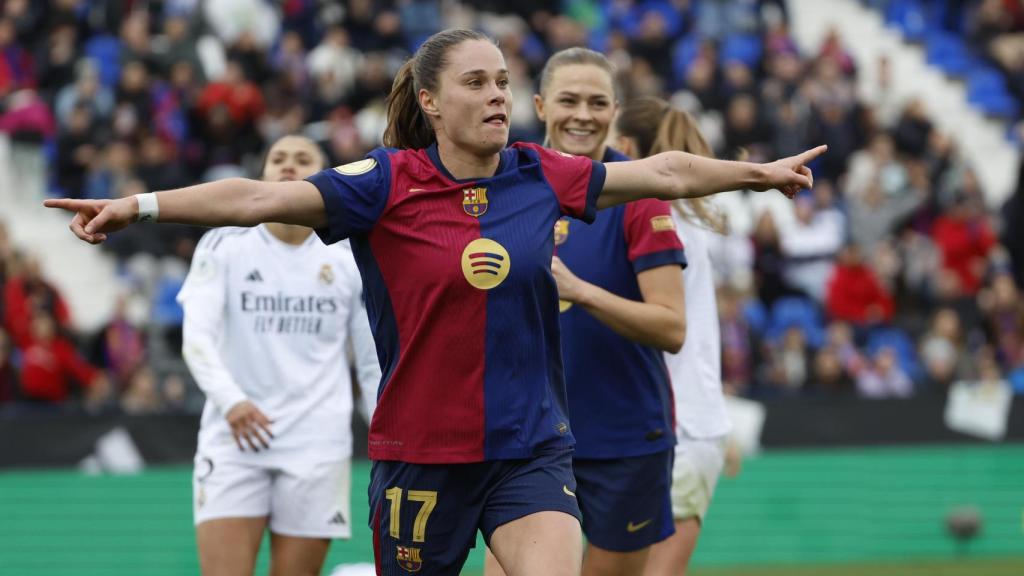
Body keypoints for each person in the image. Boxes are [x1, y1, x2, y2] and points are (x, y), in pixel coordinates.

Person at [46, 29, 824, 576]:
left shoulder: (538, 173)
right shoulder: (383, 183)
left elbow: (663, 175)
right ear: (430, 98)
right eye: (476, 83)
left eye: (502, 84)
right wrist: (138, 206)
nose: (497, 97)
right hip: (420, 459)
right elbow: (253, 196)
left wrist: (759, 174)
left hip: (530, 449)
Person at [487, 48, 686, 576]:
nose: (583, 114)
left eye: (597, 102)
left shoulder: (640, 194)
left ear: (614, 109)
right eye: (568, 100)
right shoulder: (507, 182)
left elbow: (671, 327)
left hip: (623, 437)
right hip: (525, 436)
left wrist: (583, 291)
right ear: (540, 105)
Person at [176, 134, 381, 576]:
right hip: (234, 440)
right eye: (278, 159)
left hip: (317, 445)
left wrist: (386, 434)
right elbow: (197, 337)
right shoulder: (224, 243)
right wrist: (232, 402)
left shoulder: (349, 256)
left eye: (303, 159)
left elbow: (370, 360)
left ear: (326, 177)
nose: (289, 166)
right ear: (263, 173)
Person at [613, 97, 738, 576]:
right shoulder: (683, 219)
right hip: (689, 423)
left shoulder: (648, 219)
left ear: (625, 145)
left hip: (675, 425)